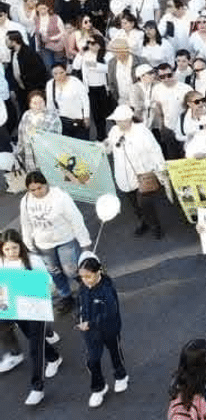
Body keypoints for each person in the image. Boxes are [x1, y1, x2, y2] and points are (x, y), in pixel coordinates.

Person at [0, 229, 63, 407]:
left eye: (15, 247)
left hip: (36, 309)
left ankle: (37, 388)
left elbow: (49, 284)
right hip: (14, 309)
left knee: (35, 347)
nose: (11, 252)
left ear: (21, 245)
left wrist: (33, 284)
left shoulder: (33, 260)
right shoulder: (1, 262)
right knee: (33, 339)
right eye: (7, 249)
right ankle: (54, 357)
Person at [19, 171, 90, 314]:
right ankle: (66, 296)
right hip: (43, 244)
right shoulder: (26, 200)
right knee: (54, 272)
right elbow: (25, 223)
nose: (37, 192)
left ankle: (88, 287)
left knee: (70, 270)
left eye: (40, 188)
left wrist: (85, 243)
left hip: (64, 239)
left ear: (46, 184)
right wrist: (29, 244)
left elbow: (76, 219)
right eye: (32, 190)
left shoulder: (60, 196)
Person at [104, 104, 168, 239]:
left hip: (143, 173)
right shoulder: (114, 131)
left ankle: (156, 226)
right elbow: (109, 146)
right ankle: (143, 222)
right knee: (134, 204)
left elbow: (155, 150)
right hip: (123, 174)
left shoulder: (142, 131)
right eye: (117, 121)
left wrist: (161, 169)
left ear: (129, 119)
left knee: (145, 203)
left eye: (122, 121)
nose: (119, 123)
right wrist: (103, 146)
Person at [75, 252, 127, 408]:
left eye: (88, 276)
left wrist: (89, 323)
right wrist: (78, 319)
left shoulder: (107, 288)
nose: (85, 280)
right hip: (90, 332)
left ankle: (121, 375)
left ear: (99, 272)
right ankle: (98, 387)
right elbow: (79, 306)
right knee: (92, 360)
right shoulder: (83, 287)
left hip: (109, 329)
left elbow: (110, 312)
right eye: (82, 277)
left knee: (114, 352)